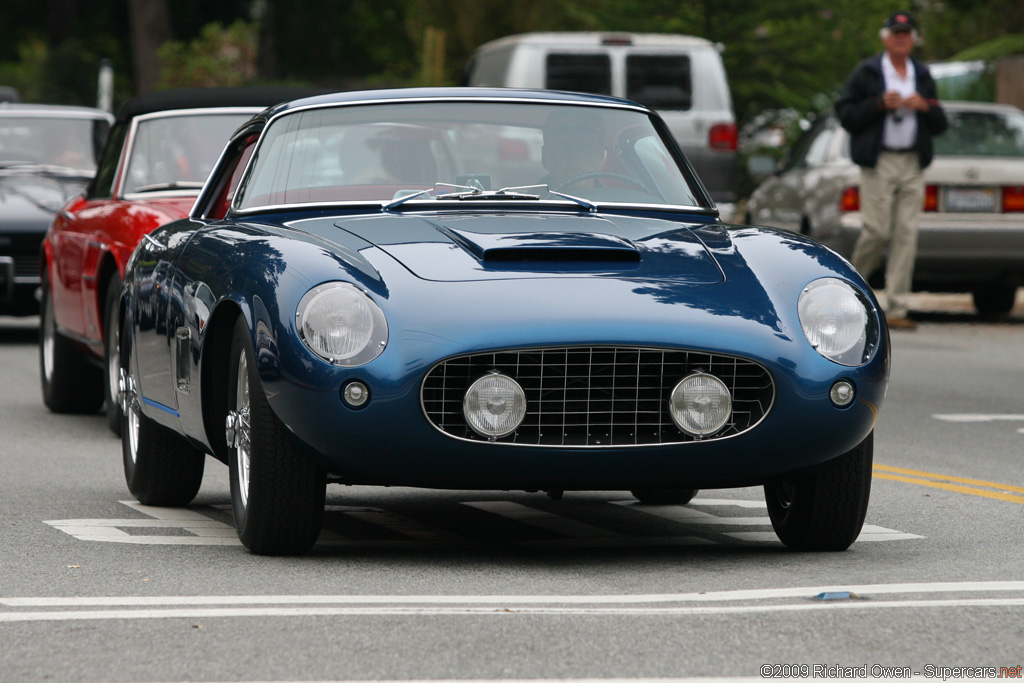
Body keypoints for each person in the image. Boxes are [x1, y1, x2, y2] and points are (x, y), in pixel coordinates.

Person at [835, 11, 947, 330]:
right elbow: (845, 113)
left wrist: (925, 107)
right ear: (885, 37)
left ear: (913, 39)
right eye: (896, 32)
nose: (902, 37)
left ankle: (897, 307)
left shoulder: (922, 74)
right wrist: (879, 104)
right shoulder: (868, 72)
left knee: (906, 234)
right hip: (879, 160)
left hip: (912, 160)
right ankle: (847, 294)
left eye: (907, 32)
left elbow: (940, 122)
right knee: (877, 230)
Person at [540, 109, 607, 191]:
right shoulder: (526, 203)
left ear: (601, 156)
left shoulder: (618, 202)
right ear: (545, 156)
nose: (574, 155)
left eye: (586, 147)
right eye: (562, 147)